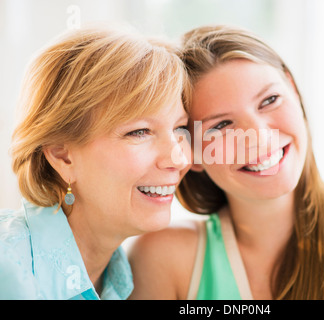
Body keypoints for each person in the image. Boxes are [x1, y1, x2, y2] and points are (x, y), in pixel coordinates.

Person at [128, 25, 324, 300]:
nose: (259, 137)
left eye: (269, 100)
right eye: (221, 125)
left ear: (294, 91)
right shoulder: (164, 259)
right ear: (191, 151)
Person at [0, 25, 191, 299]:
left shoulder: (120, 281)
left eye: (180, 129)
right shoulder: (7, 270)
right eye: (140, 132)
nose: (179, 159)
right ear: (62, 155)